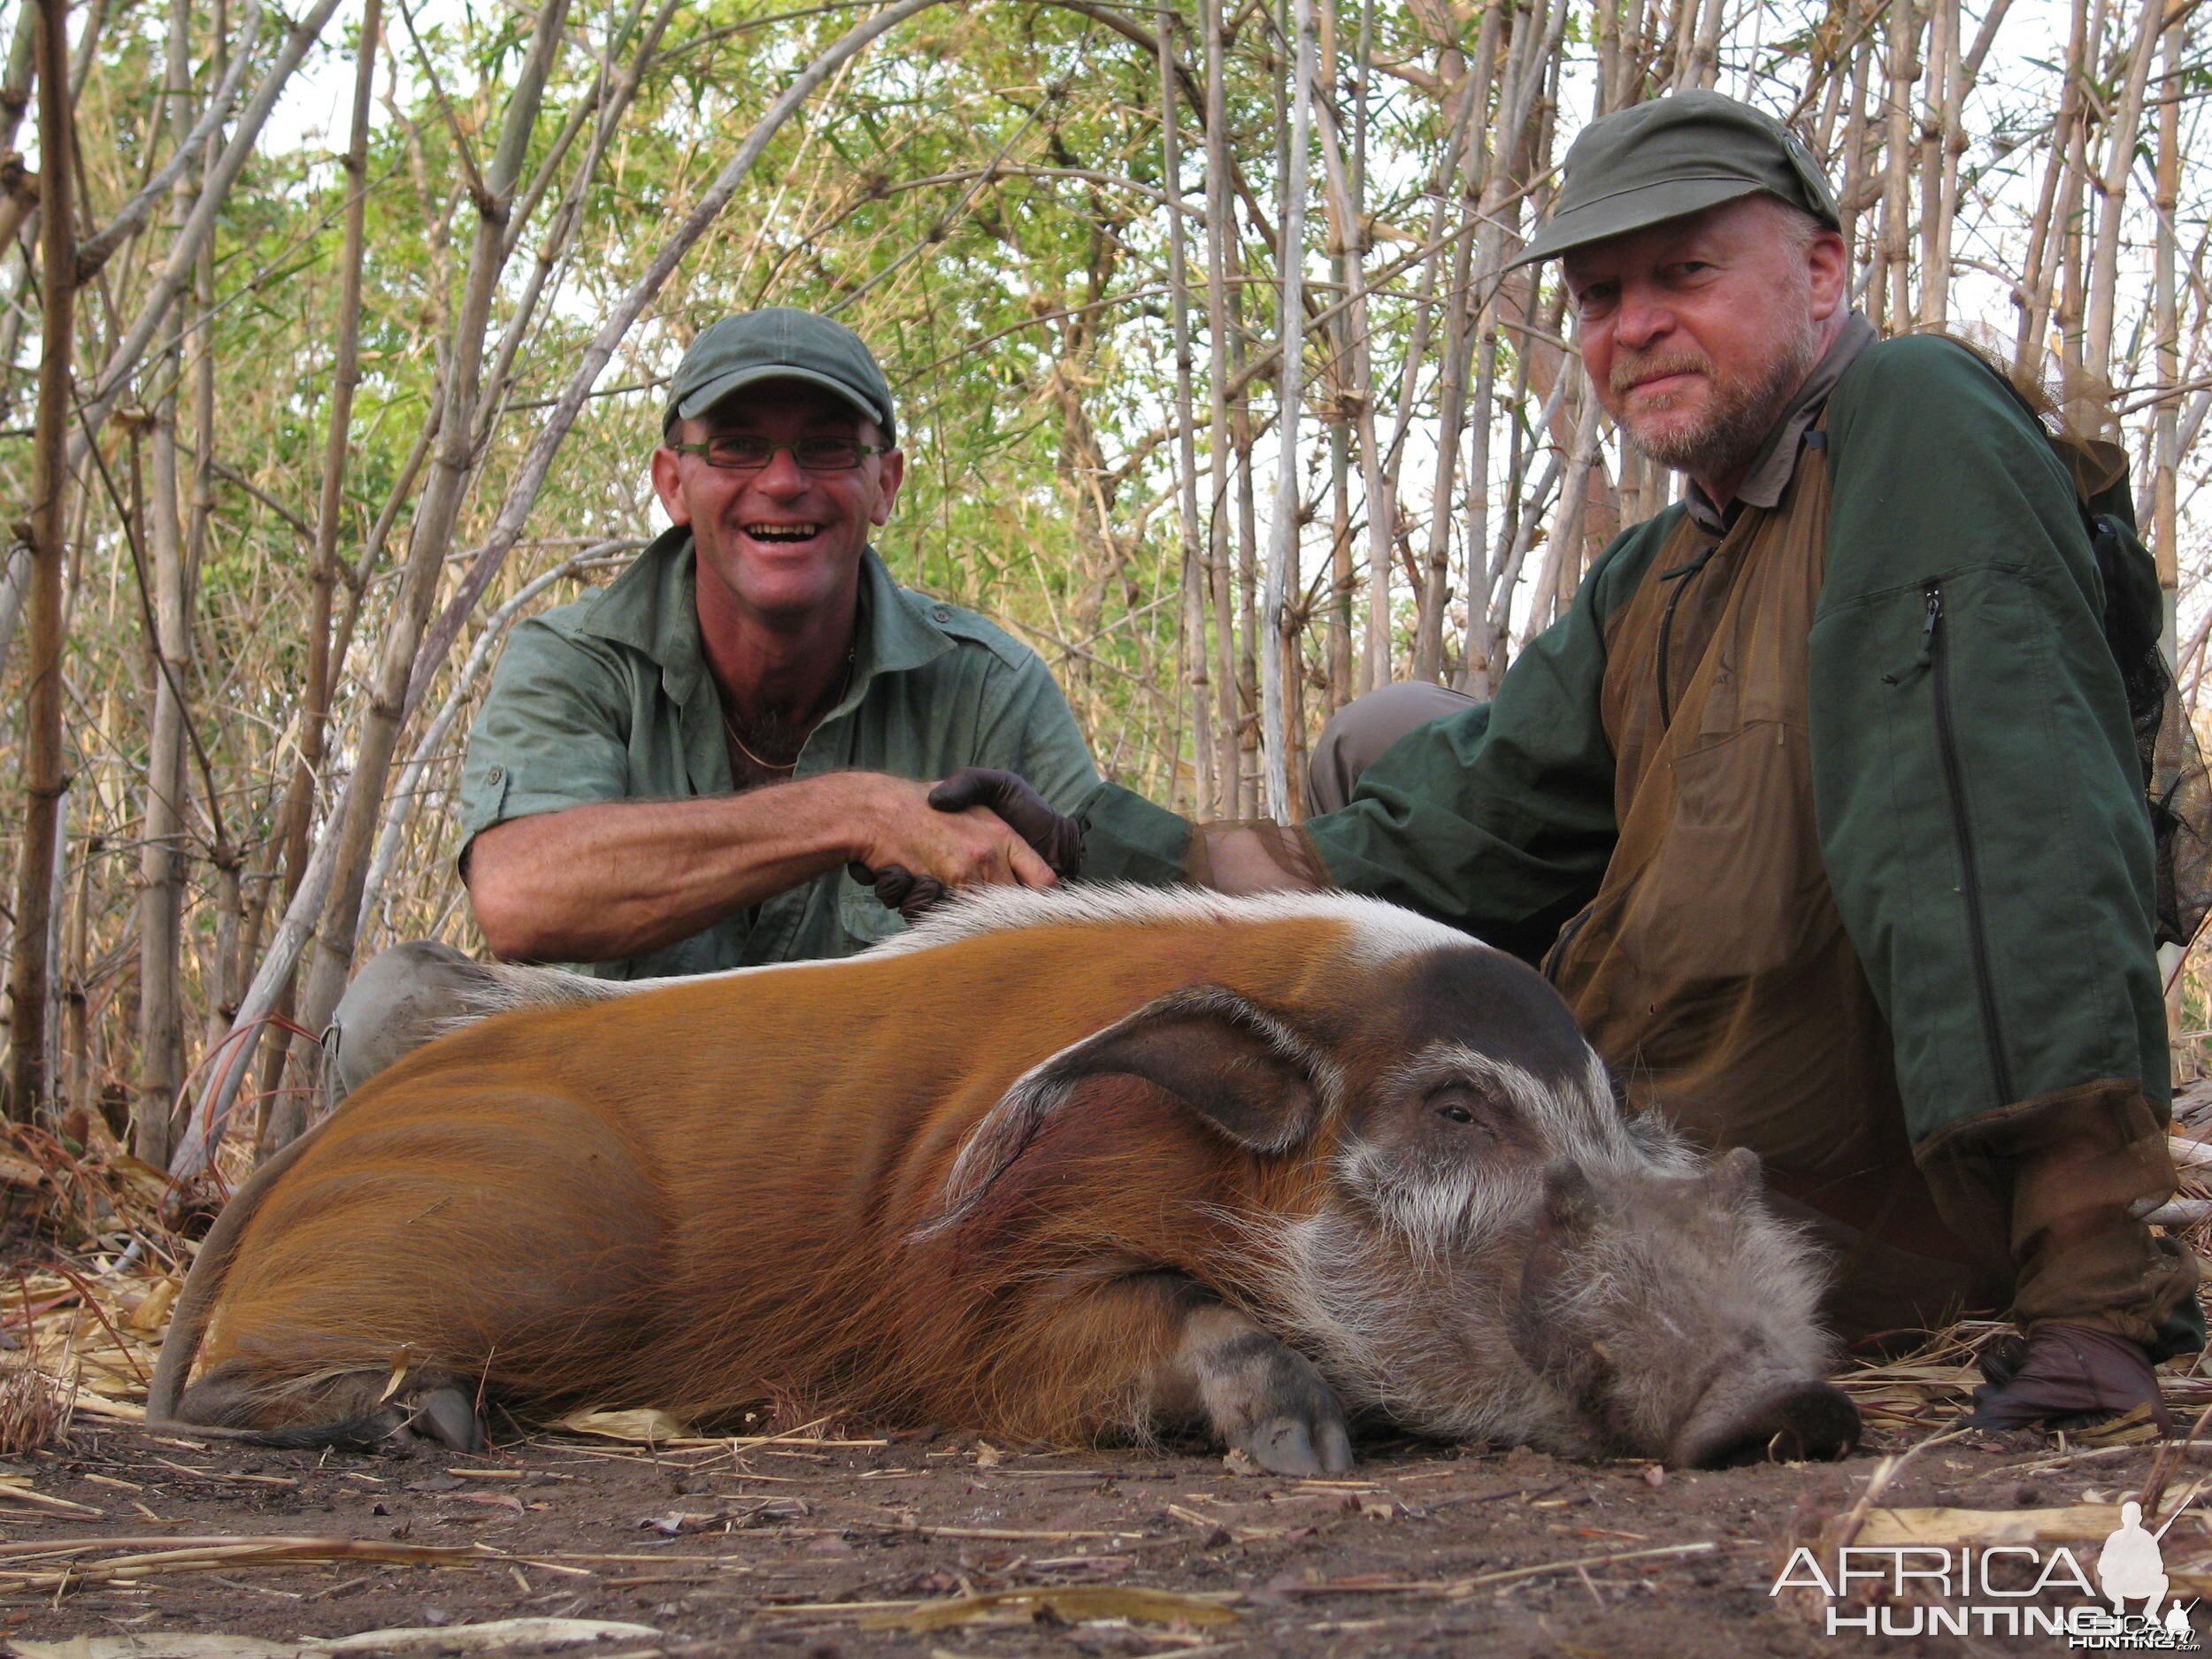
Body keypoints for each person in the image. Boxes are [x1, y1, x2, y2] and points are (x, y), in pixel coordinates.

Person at [995, 91, 2204, 1431]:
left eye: (1684, 273)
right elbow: (1454, 837)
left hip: (1804, 1210)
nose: (1632, 327)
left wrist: (2093, 1289)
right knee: (1395, 735)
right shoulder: (1660, 567)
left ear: (1820, 271)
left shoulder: (1914, 420)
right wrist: (1094, 844)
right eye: (1597, 295)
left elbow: (1995, 833)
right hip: (1619, 1154)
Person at [322, 307, 1101, 1095]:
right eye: (737, 446)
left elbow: (1107, 920)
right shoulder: (577, 658)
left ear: (885, 484)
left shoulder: (990, 685)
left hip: (886, 1118)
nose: (784, 481)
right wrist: (858, 812)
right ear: (673, 483)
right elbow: (520, 894)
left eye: (828, 447)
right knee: (395, 1011)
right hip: (622, 1107)